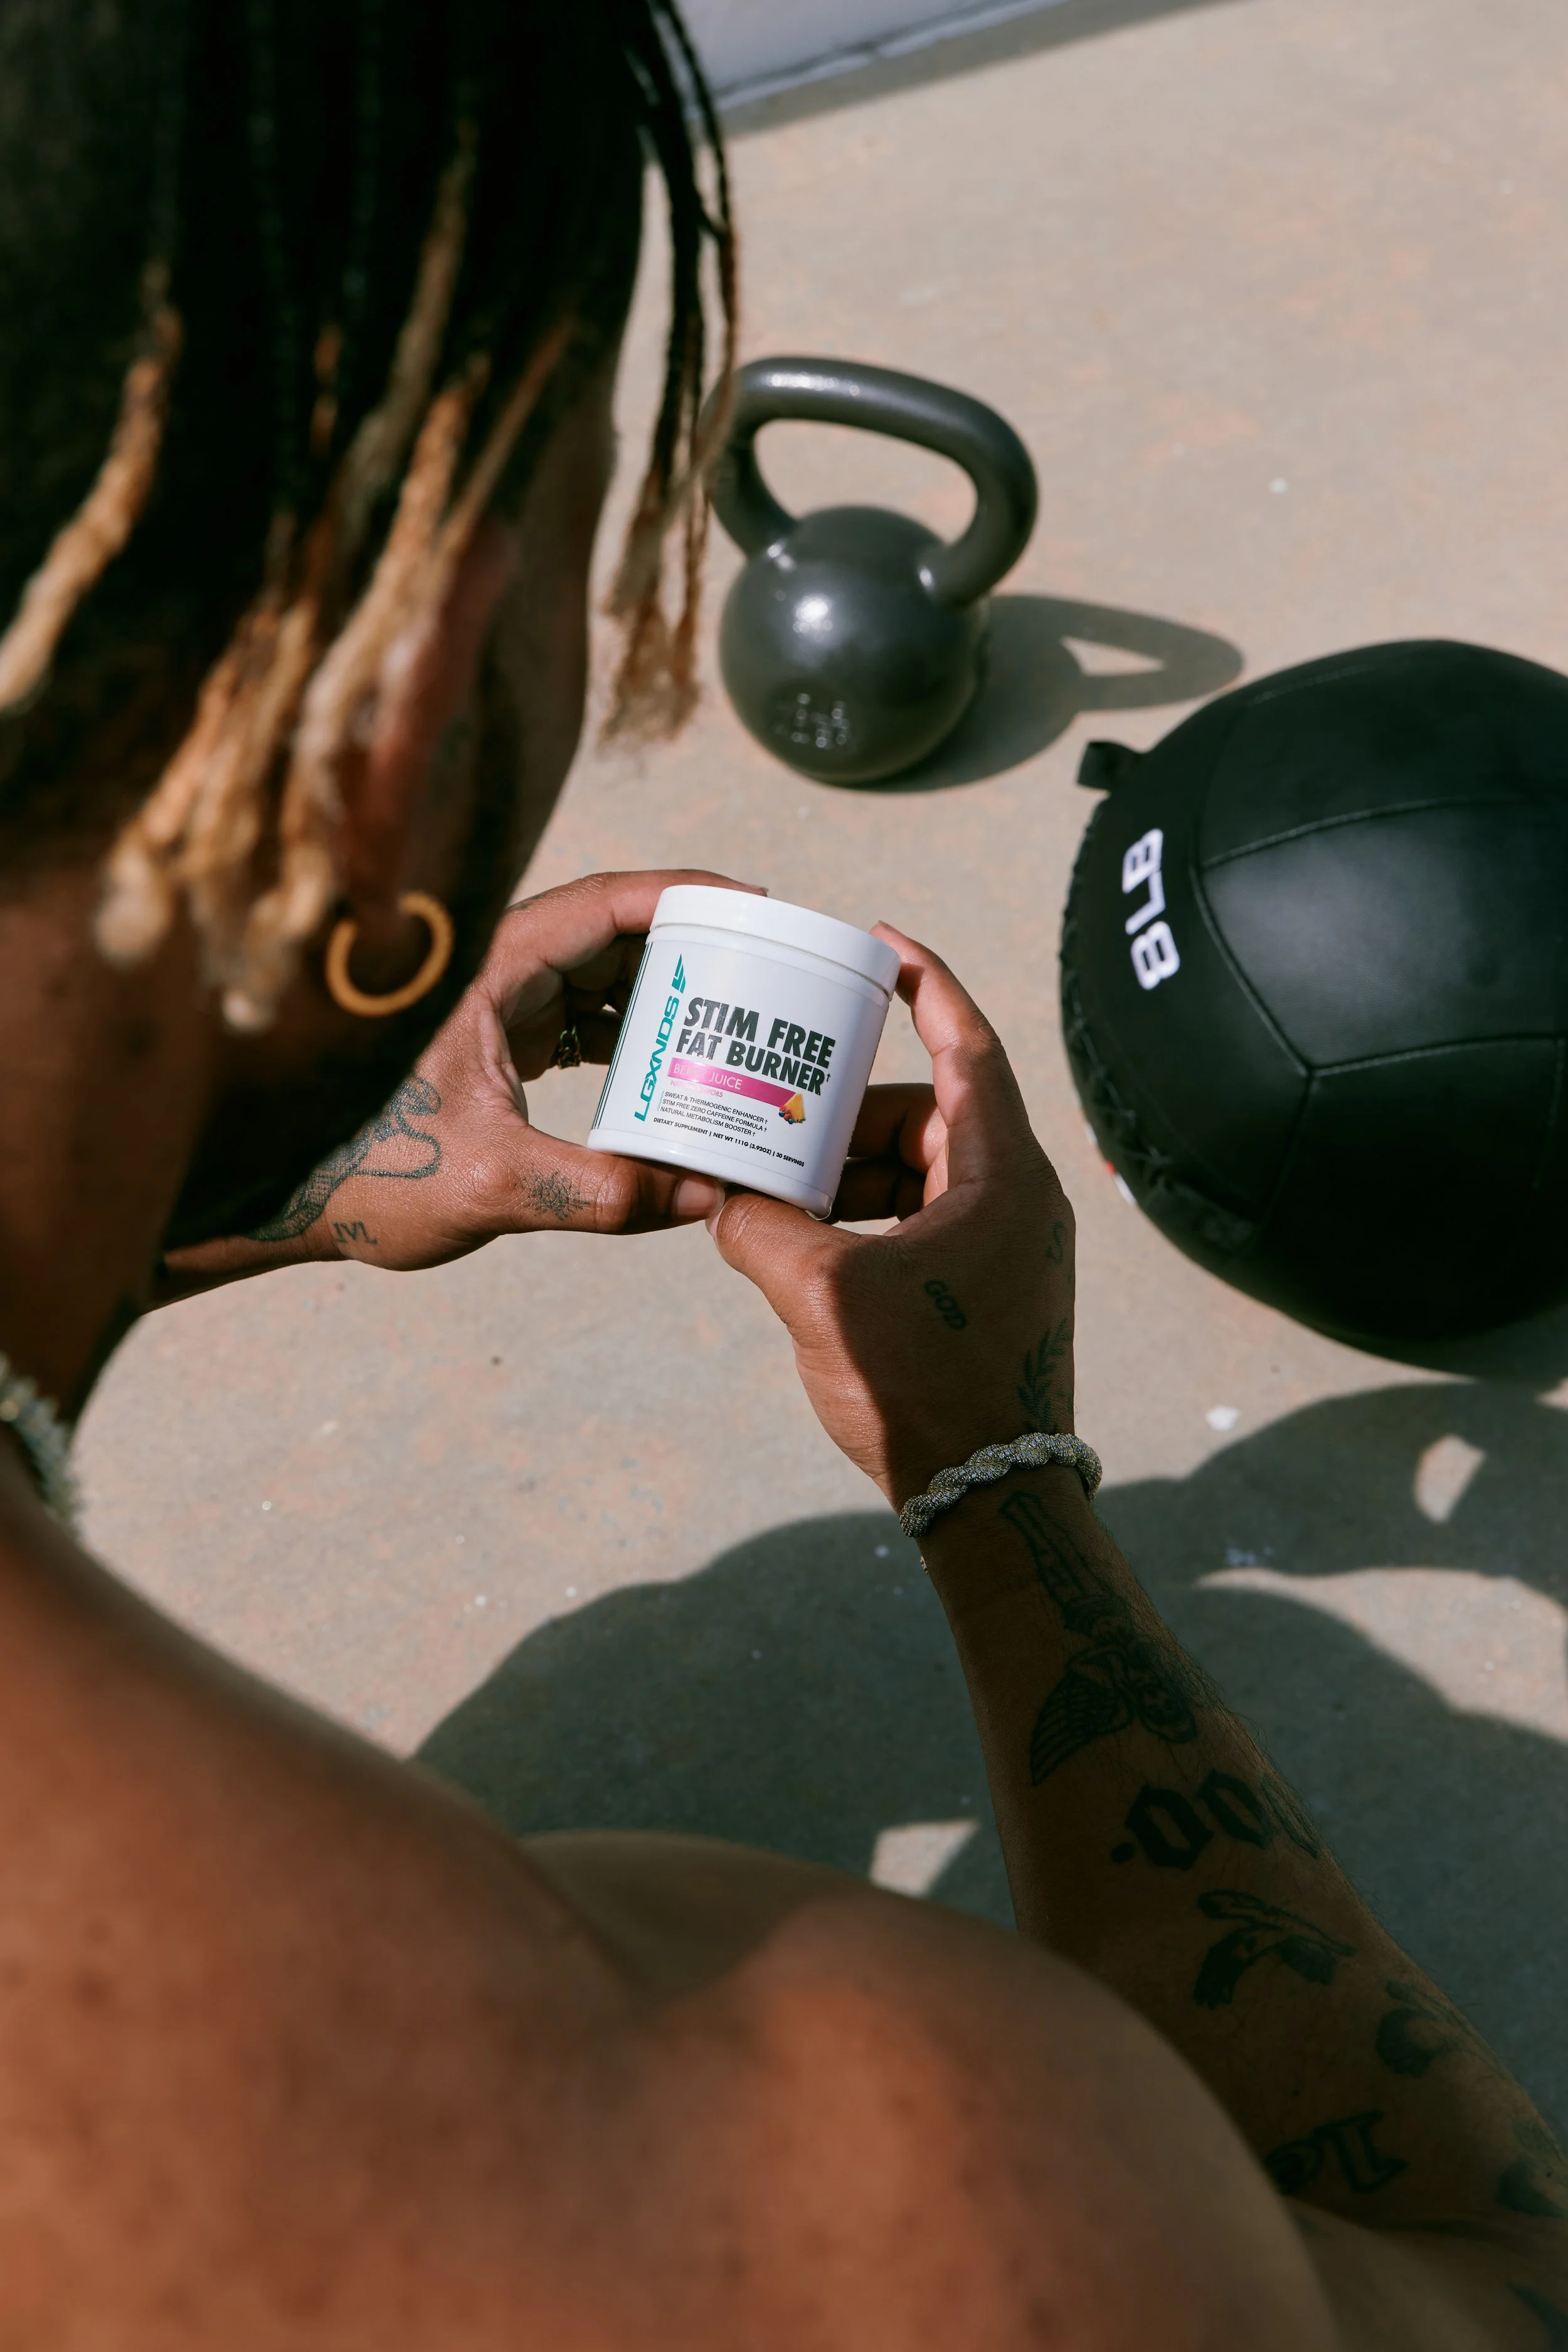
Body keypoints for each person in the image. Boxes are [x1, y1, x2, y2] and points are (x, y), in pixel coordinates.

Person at [0, 3, 1563, 2343]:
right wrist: (997, 1467)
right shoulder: (808, 2179)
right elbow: (1483, 2283)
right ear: (397, 717)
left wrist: (307, 1149)